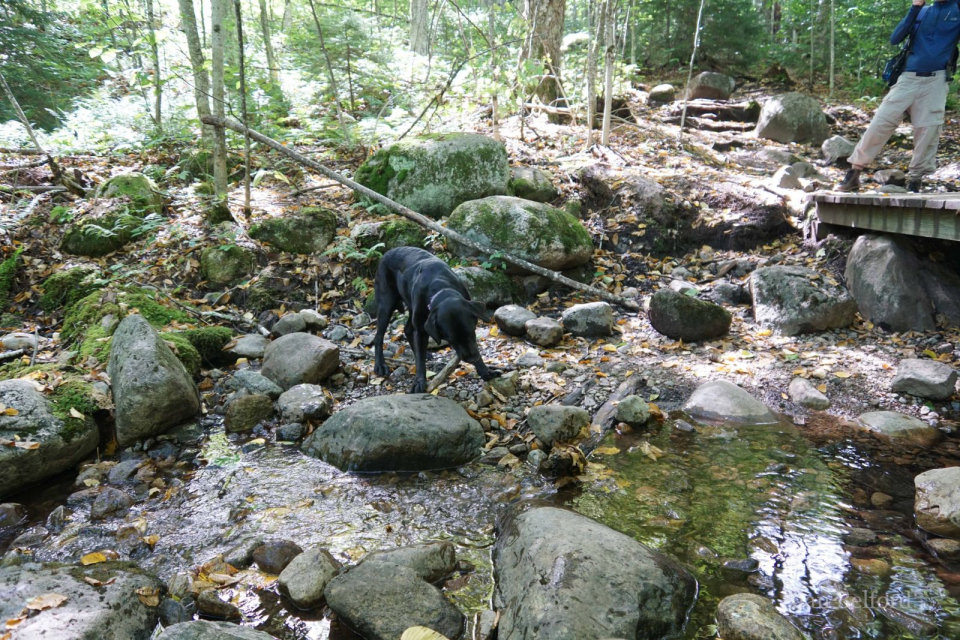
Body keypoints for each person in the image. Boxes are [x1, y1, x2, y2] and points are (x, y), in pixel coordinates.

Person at [837, 0, 960, 193]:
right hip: (907, 77)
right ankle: (855, 172)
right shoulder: (922, 11)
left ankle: (915, 180)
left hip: (936, 80)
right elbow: (895, 38)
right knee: (881, 120)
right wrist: (915, 8)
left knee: (927, 129)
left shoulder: (957, 10)